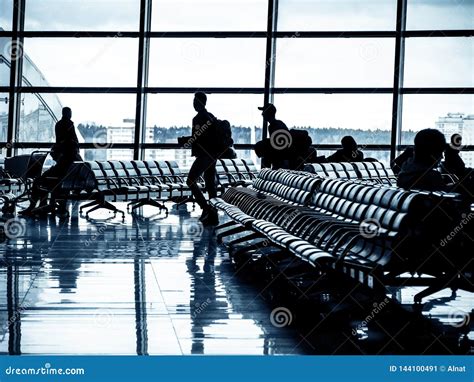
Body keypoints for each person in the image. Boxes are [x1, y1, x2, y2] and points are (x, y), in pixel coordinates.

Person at [20, 107, 82, 217]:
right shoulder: (76, 159)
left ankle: (34, 206)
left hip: (59, 178)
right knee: (46, 179)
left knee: (39, 181)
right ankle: (43, 205)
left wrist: (56, 151)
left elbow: (59, 143)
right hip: (65, 180)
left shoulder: (60, 126)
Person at [185, 92, 219, 226]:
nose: (193, 104)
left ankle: (206, 208)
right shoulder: (211, 117)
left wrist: (184, 140)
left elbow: (198, 137)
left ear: (200, 102)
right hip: (213, 155)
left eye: (195, 101)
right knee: (210, 185)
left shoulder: (198, 118)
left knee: (190, 180)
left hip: (204, 155)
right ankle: (213, 214)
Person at [257, 103, 291, 169]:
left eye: (264, 112)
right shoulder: (279, 123)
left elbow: (278, 146)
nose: (262, 114)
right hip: (283, 158)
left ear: (268, 113)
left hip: (281, 160)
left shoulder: (273, 126)